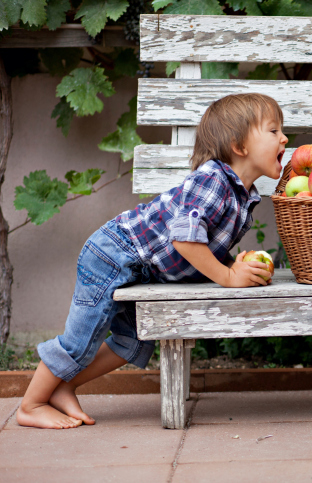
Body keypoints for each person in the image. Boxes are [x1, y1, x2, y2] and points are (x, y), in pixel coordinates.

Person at [17, 93, 288, 429]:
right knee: (78, 341)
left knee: (131, 342)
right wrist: (229, 277)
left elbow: (205, 245)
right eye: (274, 131)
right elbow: (185, 238)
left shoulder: (240, 194)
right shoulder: (213, 179)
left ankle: (65, 387)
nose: (284, 138)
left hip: (143, 268)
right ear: (239, 146)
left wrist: (233, 264)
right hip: (114, 254)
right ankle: (31, 404)